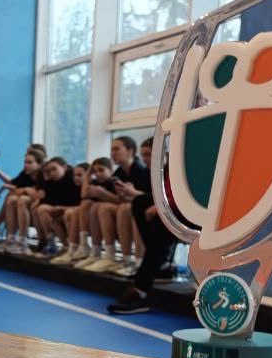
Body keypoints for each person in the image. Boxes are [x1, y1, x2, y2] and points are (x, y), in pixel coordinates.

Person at [109, 138, 180, 314]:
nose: (145, 159)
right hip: (172, 211)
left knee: (157, 235)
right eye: (144, 155)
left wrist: (158, 207)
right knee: (139, 203)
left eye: (149, 155)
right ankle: (159, 263)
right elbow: (158, 195)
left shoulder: (176, 168)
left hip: (187, 214)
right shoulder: (159, 171)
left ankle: (141, 289)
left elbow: (179, 195)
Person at [92, 135, 147, 276]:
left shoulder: (141, 170)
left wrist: (130, 193)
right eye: (111, 150)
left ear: (130, 151)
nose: (112, 153)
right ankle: (112, 257)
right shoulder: (119, 173)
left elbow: (146, 199)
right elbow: (119, 199)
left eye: (116, 149)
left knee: (125, 208)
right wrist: (106, 194)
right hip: (129, 207)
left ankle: (138, 262)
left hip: (145, 210)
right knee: (100, 207)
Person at [0, 144, 46, 245]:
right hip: (29, 207)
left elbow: (37, 194)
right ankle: (10, 239)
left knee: (19, 198)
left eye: (29, 161)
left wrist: (22, 190)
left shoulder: (45, 174)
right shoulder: (27, 173)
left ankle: (0, 227)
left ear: (40, 161)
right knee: (12, 198)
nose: (26, 163)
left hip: (40, 208)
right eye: (25, 160)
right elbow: (14, 184)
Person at [55, 158, 113, 265]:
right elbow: (84, 195)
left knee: (83, 206)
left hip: (105, 217)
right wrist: (88, 176)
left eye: (101, 170)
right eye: (95, 171)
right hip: (93, 218)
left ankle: (90, 249)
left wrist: (103, 194)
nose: (98, 174)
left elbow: (119, 200)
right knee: (79, 208)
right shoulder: (95, 182)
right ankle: (75, 247)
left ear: (111, 170)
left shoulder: (113, 181)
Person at [32, 157, 80, 255]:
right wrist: (46, 180)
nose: (52, 173)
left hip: (74, 211)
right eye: (49, 171)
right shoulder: (53, 181)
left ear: (64, 167)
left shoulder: (73, 179)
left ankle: (73, 248)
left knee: (68, 214)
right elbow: (47, 201)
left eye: (54, 169)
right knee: (41, 209)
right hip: (62, 211)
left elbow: (79, 203)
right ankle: (57, 245)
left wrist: (62, 208)